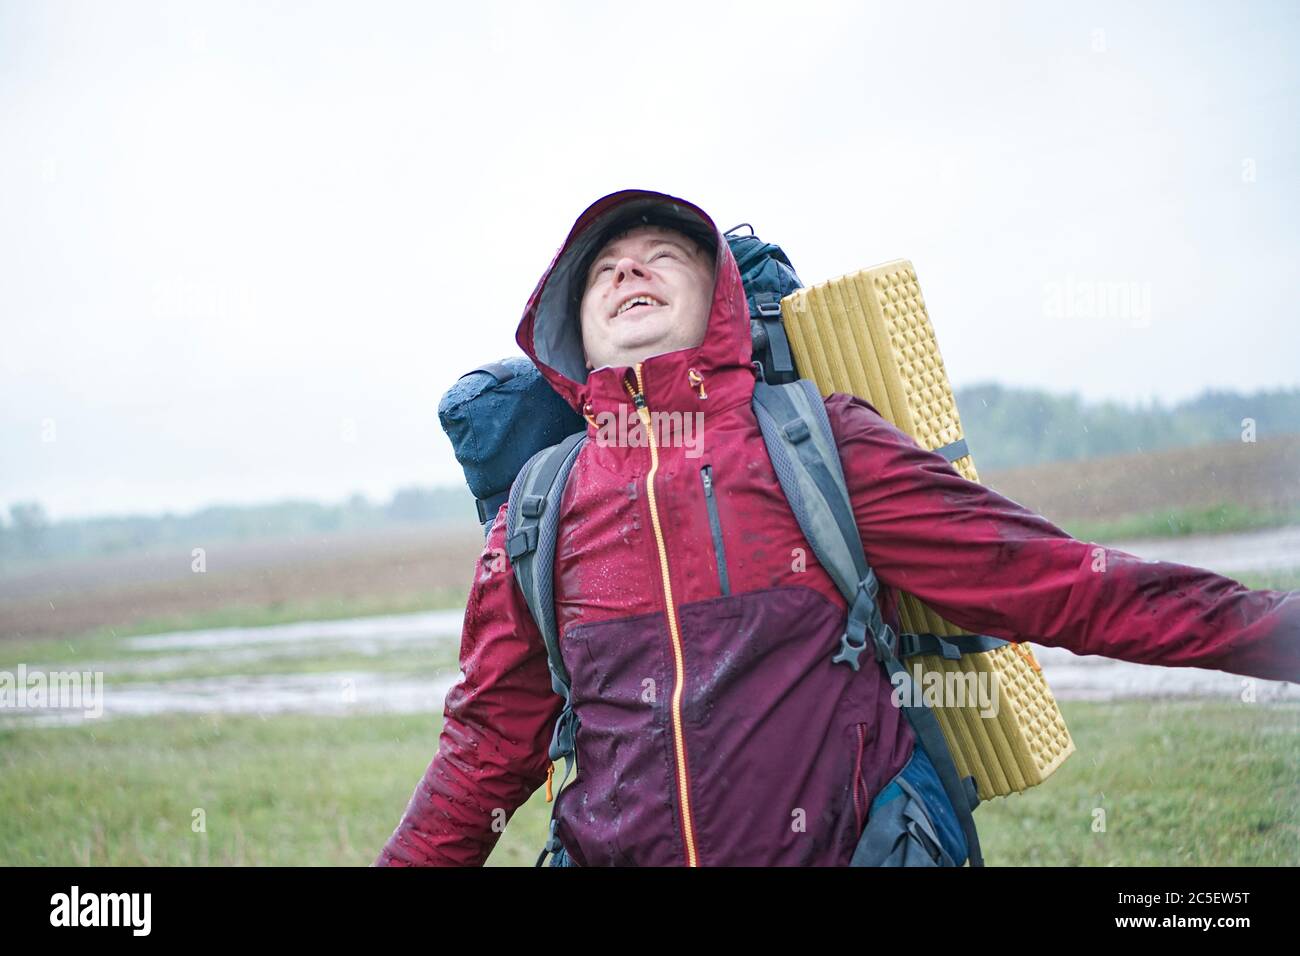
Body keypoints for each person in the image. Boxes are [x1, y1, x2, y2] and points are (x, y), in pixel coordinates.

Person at [375, 188, 1299, 867]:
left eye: (662, 252)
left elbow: (1057, 581)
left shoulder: (817, 444)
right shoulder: (539, 509)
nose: (628, 269)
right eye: (604, 269)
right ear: (573, 330)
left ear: (720, 300)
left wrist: (1275, 632)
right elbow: (486, 749)